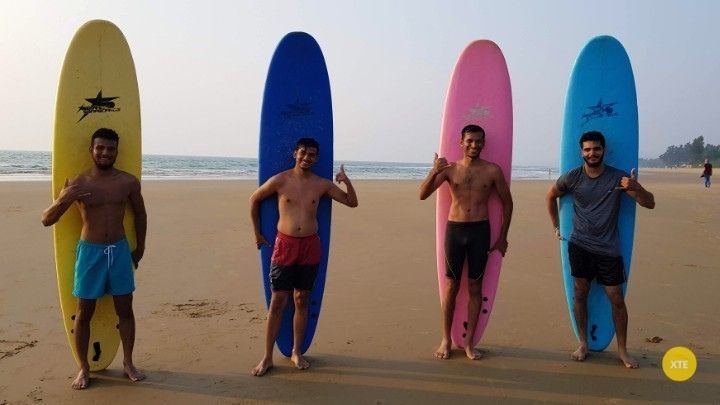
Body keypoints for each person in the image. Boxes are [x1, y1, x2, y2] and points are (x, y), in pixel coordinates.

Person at [41, 128, 147, 389]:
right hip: (90, 253)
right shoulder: (78, 183)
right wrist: (64, 198)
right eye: (100, 148)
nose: (105, 153)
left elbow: (141, 215)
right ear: (92, 150)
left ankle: (128, 362)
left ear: (116, 151)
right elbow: (47, 220)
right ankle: (83, 369)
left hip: (120, 250)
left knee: (125, 309)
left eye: (110, 149)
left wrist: (140, 247)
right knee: (84, 312)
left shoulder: (128, 182)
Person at [545, 130, 655, 369]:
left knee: (616, 297)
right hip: (580, 245)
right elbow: (550, 196)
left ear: (604, 150)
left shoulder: (619, 178)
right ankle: (583, 343)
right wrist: (556, 227)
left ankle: (623, 350)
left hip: (608, 248)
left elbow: (650, 203)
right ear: (581, 152)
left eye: (596, 149)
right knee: (580, 292)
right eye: (587, 149)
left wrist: (637, 188)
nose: (591, 153)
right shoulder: (573, 177)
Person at [249, 137, 358, 376]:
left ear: (316, 158)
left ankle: (297, 351)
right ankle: (267, 356)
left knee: (302, 300)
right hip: (284, 246)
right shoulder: (281, 180)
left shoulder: (321, 184)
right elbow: (254, 199)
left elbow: (352, 203)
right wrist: (257, 233)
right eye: (303, 153)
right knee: (278, 301)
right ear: (295, 153)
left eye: (312, 155)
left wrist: (346, 181)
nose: (307, 158)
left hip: (310, 246)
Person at [419, 124, 513, 360]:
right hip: (455, 230)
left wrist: (503, 237)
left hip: (480, 231)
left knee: (474, 287)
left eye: (479, 141)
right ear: (461, 143)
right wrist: (433, 171)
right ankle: (445, 340)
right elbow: (422, 194)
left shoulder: (493, 171)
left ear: (483, 143)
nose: (474, 145)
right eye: (469, 141)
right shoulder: (450, 170)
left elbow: (508, 203)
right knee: (451, 286)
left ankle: (469, 342)